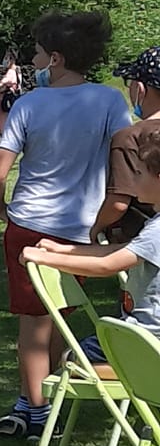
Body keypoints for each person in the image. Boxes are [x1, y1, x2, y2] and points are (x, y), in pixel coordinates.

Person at [0, 10, 130, 438]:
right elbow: (125, 152)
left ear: (57, 59)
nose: (33, 60)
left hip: (30, 225)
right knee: (61, 317)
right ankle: (33, 402)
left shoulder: (29, 104)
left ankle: (39, 415)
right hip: (82, 230)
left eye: (38, 53)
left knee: (32, 327)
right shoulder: (109, 101)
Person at [24, 123, 160, 334]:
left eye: (139, 174)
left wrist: (44, 258)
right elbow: (119, 250)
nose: (133, 181)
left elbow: (108, 265)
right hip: (142, 333)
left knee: (75, 362)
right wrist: (62, 249)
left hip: (146, 337)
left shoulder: (158, 230)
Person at [91, 46, 160, 247]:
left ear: (140, 88)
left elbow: (118, 203)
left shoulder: (130, 137)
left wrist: (97, 228)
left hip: (143, 243)